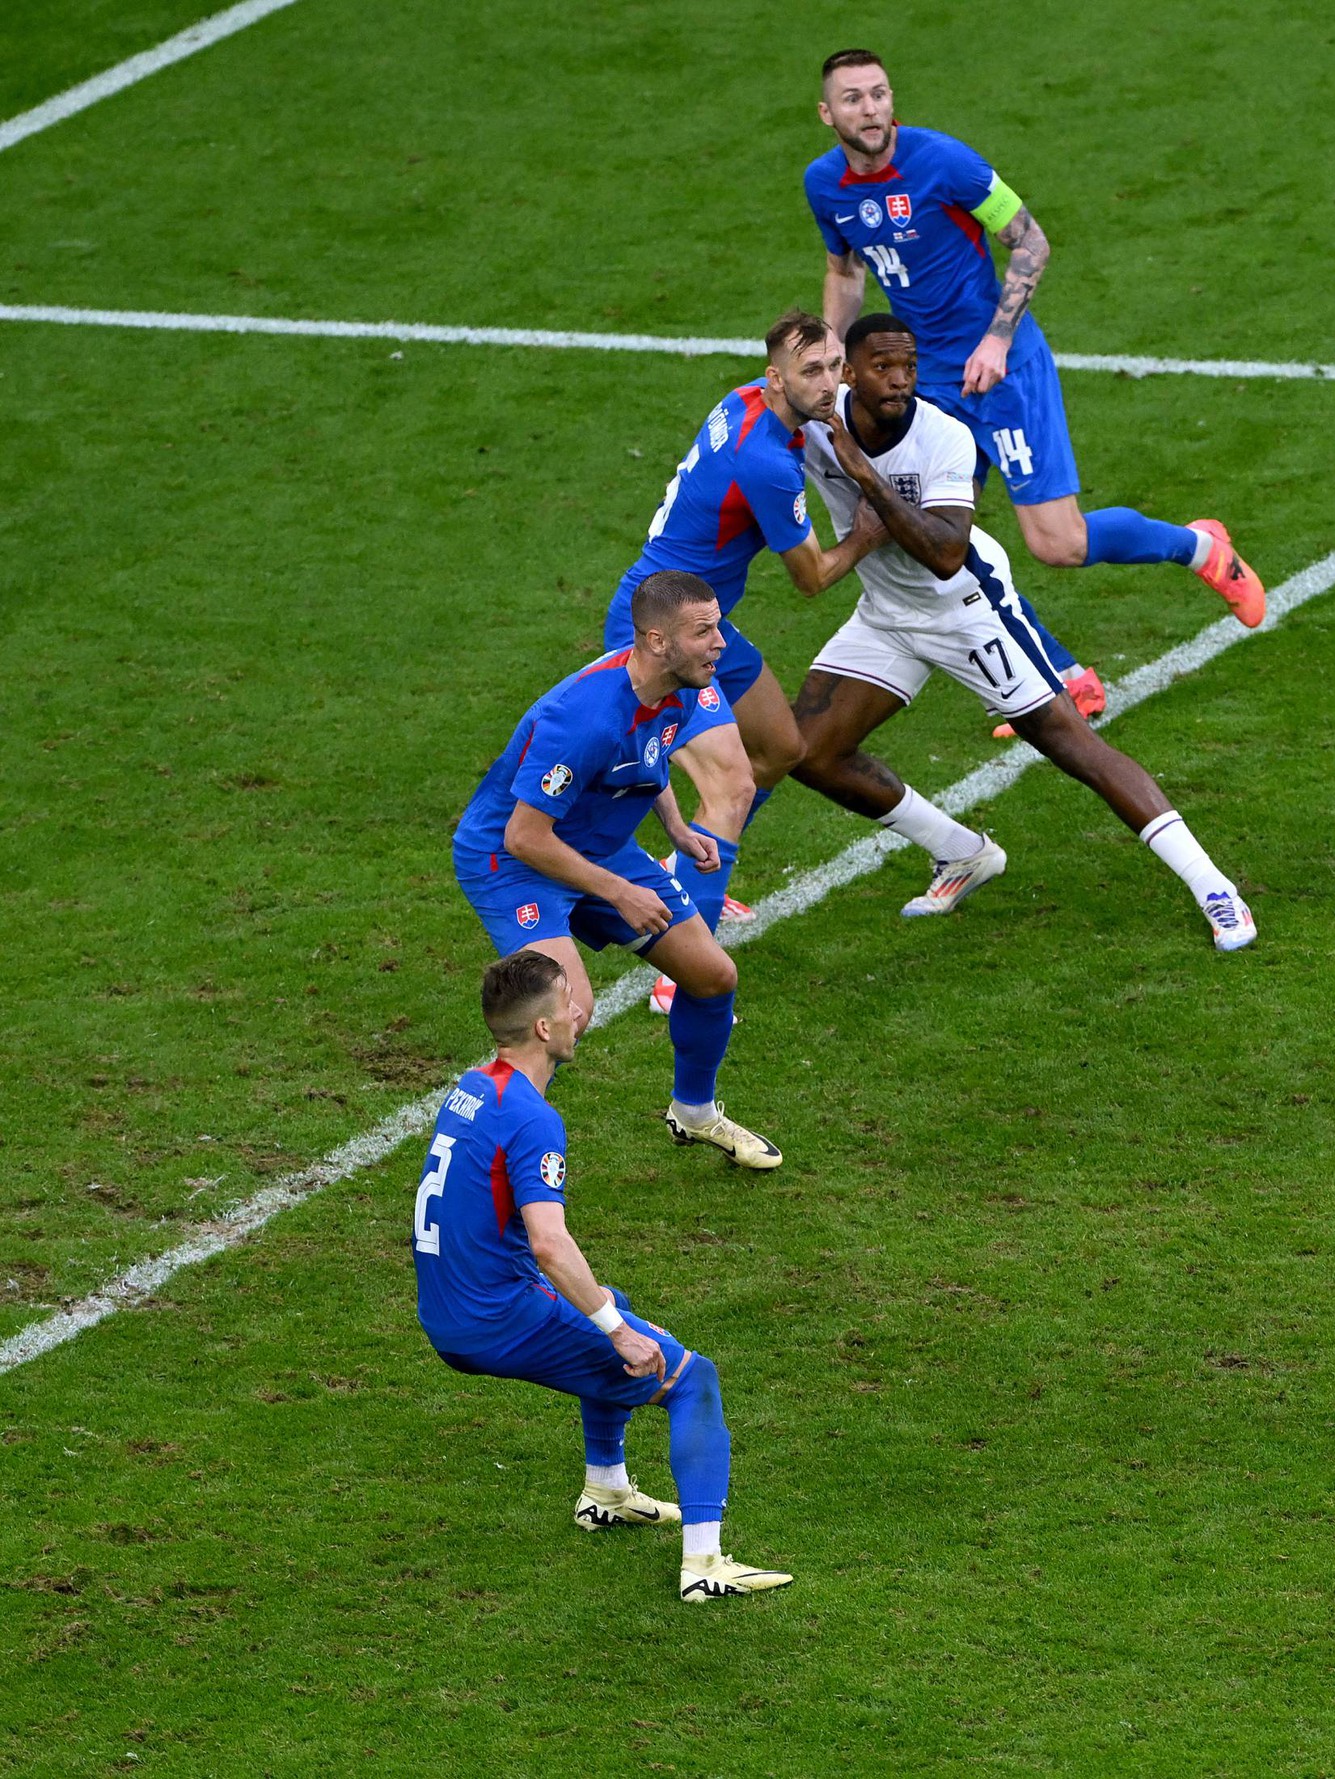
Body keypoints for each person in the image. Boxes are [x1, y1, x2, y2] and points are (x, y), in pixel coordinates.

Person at [804, 45, 1269, 724]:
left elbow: (1031, 243)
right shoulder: (824, 184)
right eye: (853, 98)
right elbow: (844, 271)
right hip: (926, 387)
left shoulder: (947, 162)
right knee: (937, 543)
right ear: (827, 113)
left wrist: (996, 340)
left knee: (1058, 544)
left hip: (1004, 372)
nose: (870, 109)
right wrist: (826, 362)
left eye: (879, 93)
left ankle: (1201, 549)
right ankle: (1065, 677)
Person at [789, 312, 1258, 949]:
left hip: (966, 608)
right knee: (809, 751)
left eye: (909, 367)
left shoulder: (943, 437)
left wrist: (865, 474)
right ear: (848, 373)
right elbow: (758, 414)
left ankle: (1216, 889)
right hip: (886, 613)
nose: (899, 380)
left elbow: (946, 553)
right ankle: (962, 852)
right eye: (882, 367)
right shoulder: (817, 420)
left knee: (1071, 744)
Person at [413, 951, 792, 1602]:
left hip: (448, 1305)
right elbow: (549, 1244)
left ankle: (607, 1489)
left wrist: (609, 1315)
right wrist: (618, 1332)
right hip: (496, 1317)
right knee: (689, 1377)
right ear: (542, 1028)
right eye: (567, 1004)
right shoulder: (534, 1120)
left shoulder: (473, 1087)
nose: (580, 1012)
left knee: (610, 1302)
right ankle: (705, 1564)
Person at [453, 570, 781, 1166]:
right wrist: (621, 893)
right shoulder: (584, 719)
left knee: (713, 976)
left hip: (598, 844)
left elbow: (649, 756)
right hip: (511, 862)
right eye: (703, 631)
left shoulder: (683, 684)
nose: (720, 644)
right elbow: (524, 837)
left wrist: (676, 828)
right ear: (657, 640)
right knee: (562, 1014)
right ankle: (484, 1152)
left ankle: (695, 1113)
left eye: (717, 628)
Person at [606, 311, 877, 964]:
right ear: (776, 379)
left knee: (781, 747)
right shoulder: (768, 464)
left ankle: (691, 872)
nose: (830, 384)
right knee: (729, 786)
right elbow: (811, 577)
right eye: (811, 372)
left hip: (699, 622)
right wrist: (871, 531)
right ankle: (684, 966)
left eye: (834, 367)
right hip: (662, 637)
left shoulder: (743, 400)